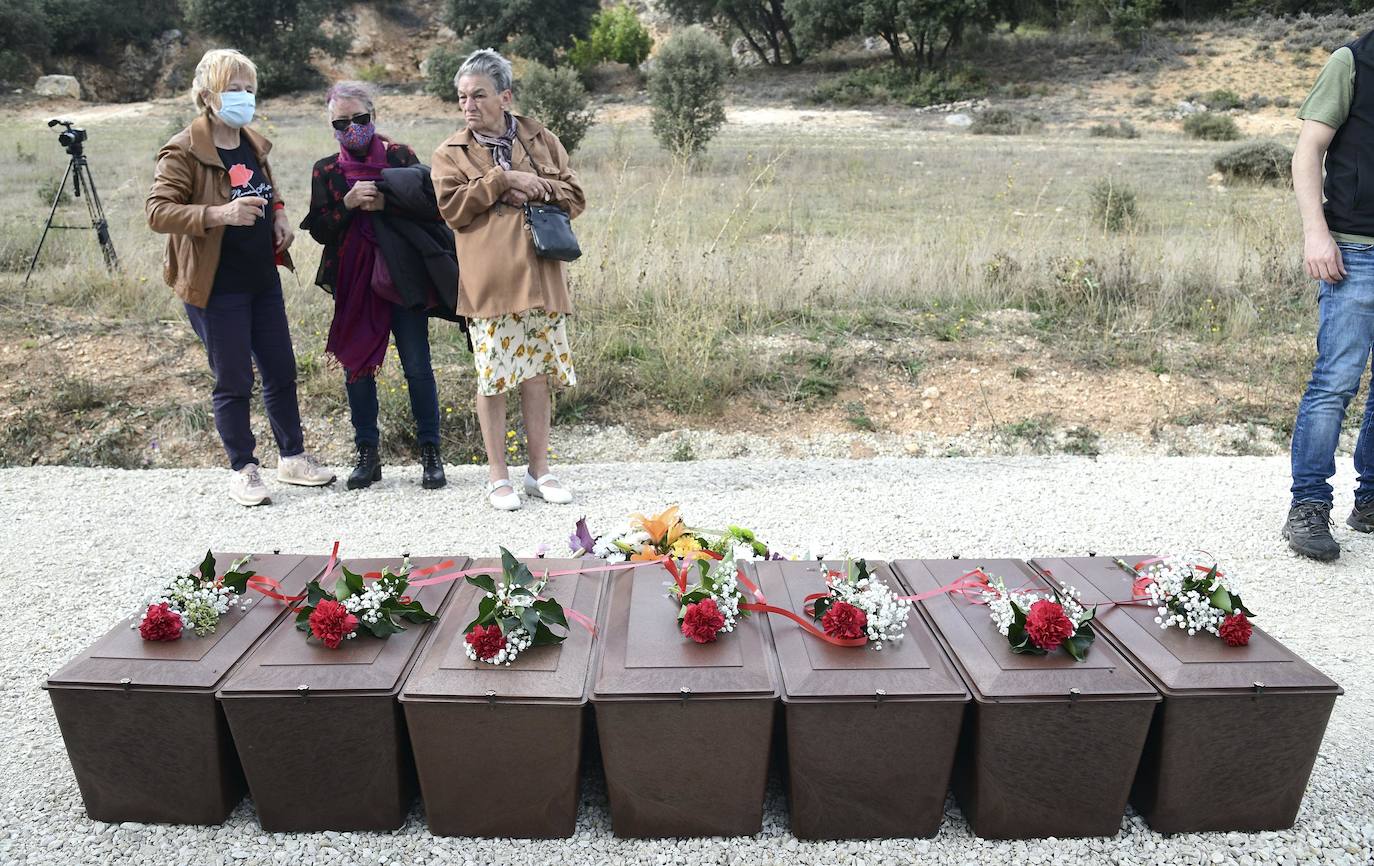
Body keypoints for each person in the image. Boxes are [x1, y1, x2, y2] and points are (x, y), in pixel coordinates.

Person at [146, 48, 334, 507]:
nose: (244, 97)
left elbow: (265, 188)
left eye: (249, 89)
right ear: (208, 95)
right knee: (233, 379)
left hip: (260, 278)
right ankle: (243, 468)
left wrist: (281, 215)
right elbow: (158, 212)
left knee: (280, 370)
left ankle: (292, 458)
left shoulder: (251, 140)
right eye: (234, 89)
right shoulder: (183, 149)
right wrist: (219, 213)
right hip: (215, 284)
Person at [432, 48, 586, 511]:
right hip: (490, 282)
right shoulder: (450, 152)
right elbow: (452, 210)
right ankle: (498, 477)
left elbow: (575, 197)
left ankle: (540, 472)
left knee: (537, 375)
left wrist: (536, 185)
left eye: (478, 95)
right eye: (462, 97)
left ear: (505, 96)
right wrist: (502, 180)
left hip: (541, 279)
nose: (469, 105)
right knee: (493, 379)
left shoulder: (542, 137)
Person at [301, 80, 463, 491]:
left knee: (417, 365)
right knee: (357, 367)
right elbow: (319, 229)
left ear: (374, 116)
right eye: (342, 122)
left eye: (360, 119)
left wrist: (386, 201)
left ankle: (431, 453)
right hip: (354, 283)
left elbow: (432, 207)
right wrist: (347, 205)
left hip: (402, 278)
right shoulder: (327, 170)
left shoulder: (400, 156)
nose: (352, 128)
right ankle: (367, 455)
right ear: (331, 125)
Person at [1286, 33, 1374, 561]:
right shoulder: (1353, 61)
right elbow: (1309, 149)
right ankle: (1309, 505)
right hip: (1355, 250)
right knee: (1335, 382)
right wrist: (1316, 233)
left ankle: (1371, 503)